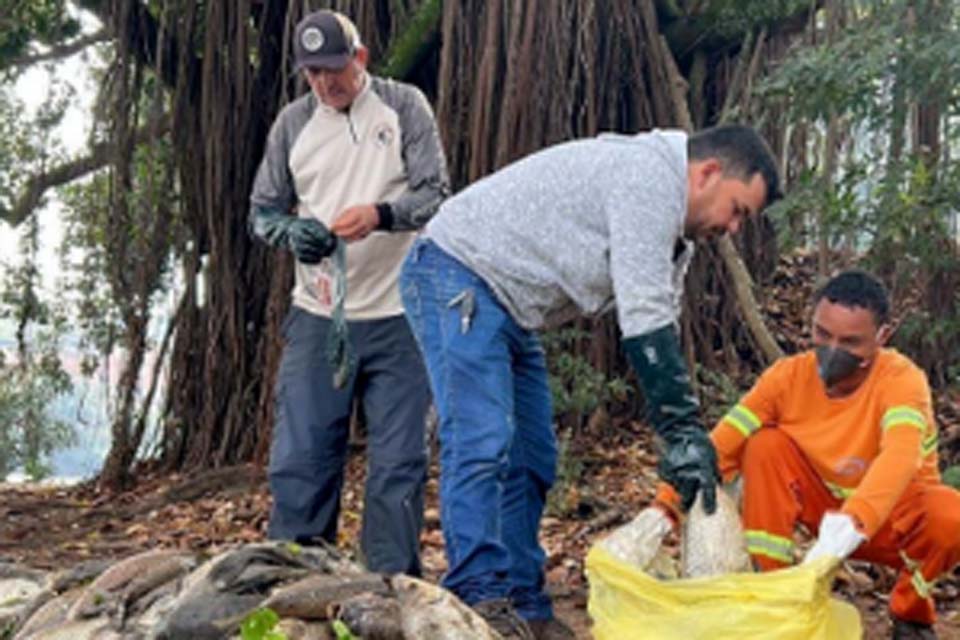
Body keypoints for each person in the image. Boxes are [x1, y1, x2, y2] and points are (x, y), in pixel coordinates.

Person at [399, 125, 780, 639]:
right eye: (738, 211)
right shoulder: (648, 178)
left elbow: (658, 325)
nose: (734, 228)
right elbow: (644, 319)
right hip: (457, 271)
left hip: (510, 307)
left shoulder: (677, 239)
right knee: (482, 441)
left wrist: (683, 436)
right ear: (708, 173)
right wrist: (683, 429)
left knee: (532, 458)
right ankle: (478, 596)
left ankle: (525, 605)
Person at [248, 9, 449, 576]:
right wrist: (291, 232)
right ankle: (295, 583)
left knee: (400, 461)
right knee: (302, 458)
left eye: (334, 69)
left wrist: (382, 215)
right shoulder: (292, 124)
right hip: (319, 316)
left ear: (359, 58)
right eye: (312, 73)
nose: (325, 83)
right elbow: (261, 212)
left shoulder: (404, 106)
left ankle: (389, 588)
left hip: (401, 313)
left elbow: (436, 193)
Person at [657, 270, 960, 640]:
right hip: (822, 512)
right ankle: (773, 596)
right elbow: (723, 443)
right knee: (764, 445)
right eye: (822, 334)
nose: (832, 349)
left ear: (882, 336)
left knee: (951, 517)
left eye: (850, 341)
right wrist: (662, 509)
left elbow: (900, 454)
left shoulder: (902, 380)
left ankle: (910, 613)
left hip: (892, 520)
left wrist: (853, 523)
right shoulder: (786, 378)